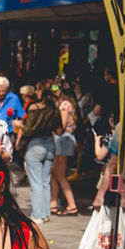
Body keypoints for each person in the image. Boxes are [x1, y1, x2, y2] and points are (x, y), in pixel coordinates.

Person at [20, 80, 60, 222]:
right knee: (45, 181)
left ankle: (38, 215)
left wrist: (20, 125)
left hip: (35, 144)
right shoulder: (54, 109)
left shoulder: (33, 108)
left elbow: (28, 130)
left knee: (36, 182)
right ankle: (45, 213)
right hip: (50, 143)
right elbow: (60, 130)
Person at [51, 86, 80, 215]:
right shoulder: (71, 104)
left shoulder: (64, 105)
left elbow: (61, 126)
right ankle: (53, 203)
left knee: (60, 174)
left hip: (63, 139)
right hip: (66, 140)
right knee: (54, 173)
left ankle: (71, 205)